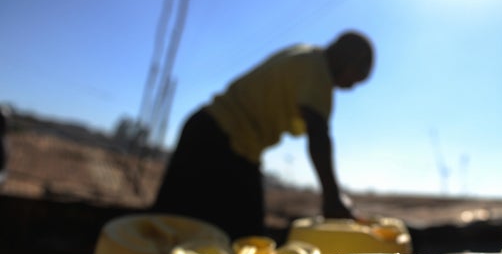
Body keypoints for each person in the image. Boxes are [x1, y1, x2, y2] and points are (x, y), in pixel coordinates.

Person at [152, 30, 373, 239]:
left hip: (214, 134)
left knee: (184, 227)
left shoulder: (305, 54)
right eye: (356, 77)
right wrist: (333, 198)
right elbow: (318, 133)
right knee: (218, 236)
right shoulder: (318, 71)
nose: (351, 86)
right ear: (348, 59)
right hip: (219, 141)